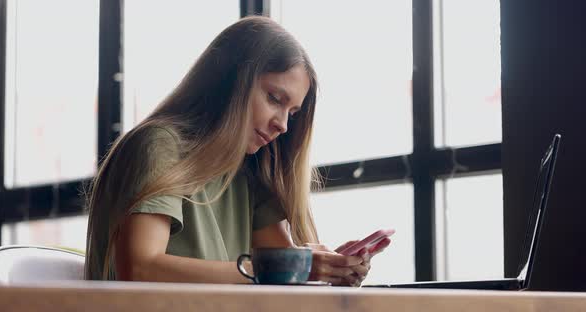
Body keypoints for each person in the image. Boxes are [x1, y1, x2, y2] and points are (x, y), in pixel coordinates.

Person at [84, 16, 390, 286]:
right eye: (274, 98)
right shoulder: (159, 145)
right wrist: (295, 267)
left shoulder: (251, 171)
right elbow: (139, 268)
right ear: (231, 81)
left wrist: (331, 269)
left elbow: (280, 274)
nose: (283, 125)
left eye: (292, 112)